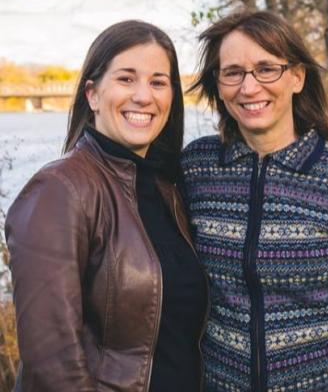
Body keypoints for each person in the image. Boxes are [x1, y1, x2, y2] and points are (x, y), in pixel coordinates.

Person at [180, 9, 328, 392]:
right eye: (233, 72)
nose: (249, 88)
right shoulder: (196, 169)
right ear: (218, 83)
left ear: (297, 77)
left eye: (267, 68)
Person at [6, 20, 208, 392]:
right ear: (92, 94)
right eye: (126, 79)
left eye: (158, 82)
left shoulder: (169, 191)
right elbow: (53, 366)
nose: (144, 96)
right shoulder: (59, 190)